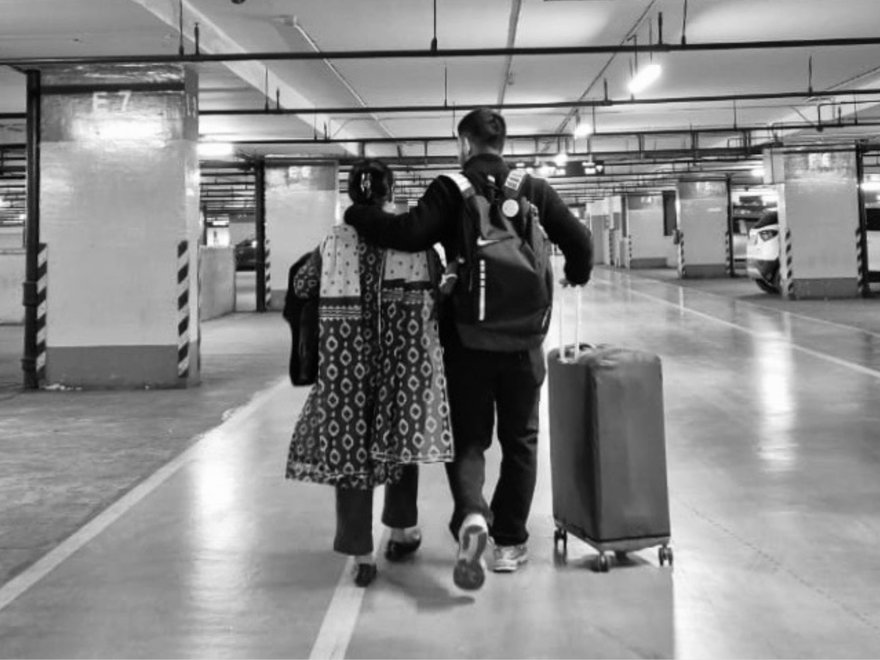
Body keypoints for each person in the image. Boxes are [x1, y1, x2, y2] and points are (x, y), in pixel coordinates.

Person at [344, 108, 593, 590]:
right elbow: (579, 241)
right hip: (525, 341)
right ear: (502, 142)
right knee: (521, 439)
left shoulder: (450, 187)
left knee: (469, 438)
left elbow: (408, 234)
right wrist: (575, 273)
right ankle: (510, 541)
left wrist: (360, 213)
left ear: (464, 144)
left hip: (467, 340)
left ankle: (472, 516)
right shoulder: (533, 187)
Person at [285, 159, 454, 588]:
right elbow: (442, 289)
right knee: (399, 444)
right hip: (402, 364)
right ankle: (401, 532)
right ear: (388, 191)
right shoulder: (413, 239)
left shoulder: (333, 241)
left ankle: (361, 553)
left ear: (350, 193)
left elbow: (302, 286)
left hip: (345, 368)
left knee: (349, 453)